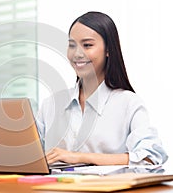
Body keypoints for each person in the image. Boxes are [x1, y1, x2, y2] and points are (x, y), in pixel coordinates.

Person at [36, 11, 168, 166]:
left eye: (87, 45)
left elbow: (150, 157)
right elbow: (28, 158)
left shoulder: (128, 103)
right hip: (54, 189)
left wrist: (79, 157)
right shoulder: (50, 104)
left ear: (108, 50)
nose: (77, 53)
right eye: (72, 45)